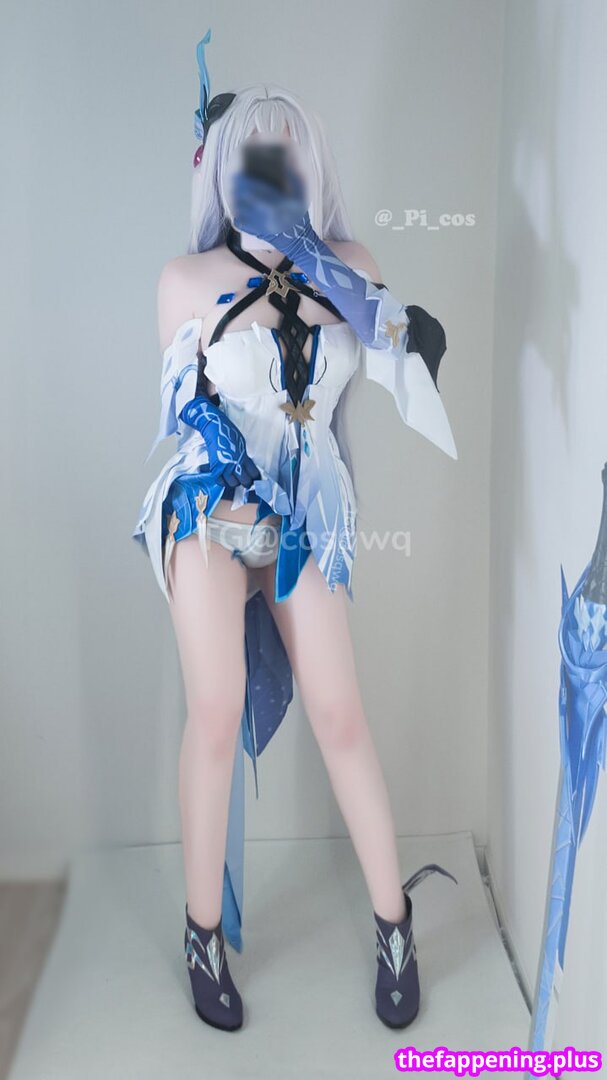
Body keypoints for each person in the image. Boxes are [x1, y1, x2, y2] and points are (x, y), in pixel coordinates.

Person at [132, 28, 459, 1033]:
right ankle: (202, 933)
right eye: (249, 159)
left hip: (301, 519)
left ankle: (395, 922)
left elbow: (397, 347)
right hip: (210, 511)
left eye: (284, 159)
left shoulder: (347, 264)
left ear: (308, 168)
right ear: (222, 171)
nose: (267, 174)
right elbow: (185, 411)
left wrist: (318, 264)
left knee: (340, 713)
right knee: (215, 709)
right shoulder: (183, 280)